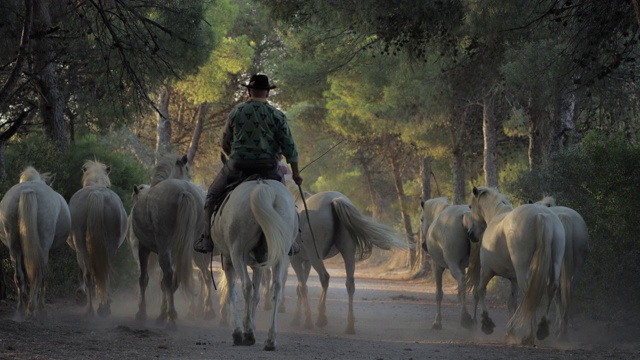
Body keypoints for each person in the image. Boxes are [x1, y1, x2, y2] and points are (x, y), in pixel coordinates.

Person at [194, 74, 303, 254]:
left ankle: (206, 238)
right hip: (268, 167)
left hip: (238, 165)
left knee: (212, 196)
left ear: (249, 91)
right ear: (267, 93)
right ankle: (290, 241)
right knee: (287, 200)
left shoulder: (236, 112)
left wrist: (235, 156)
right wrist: (296, 173)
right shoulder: (277, 115)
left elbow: (225, 142)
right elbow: (289, 146)